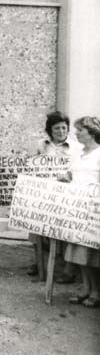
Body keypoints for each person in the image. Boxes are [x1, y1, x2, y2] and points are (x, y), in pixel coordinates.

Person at [27, 111, 79, 282]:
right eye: (57, 128)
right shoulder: (41, 145)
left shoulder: (74, 148)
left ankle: (68, 270)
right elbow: (30, 164)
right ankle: (38, 263)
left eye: (64, 128)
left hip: (64, 195)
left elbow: (77, 171)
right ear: (50, 130)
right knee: (38, 229)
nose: (61, 132)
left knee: (65, 230)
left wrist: (69, 177)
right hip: (43, 193)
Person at [63, 117, 100, 308]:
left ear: (91, 132)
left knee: (90, 252)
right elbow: (71, 175)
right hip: (76, 208)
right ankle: (85, 287)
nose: (76, 133)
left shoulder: (99, 154)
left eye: (80, 130)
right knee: (78, 250)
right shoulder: (78, 153)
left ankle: (96, 291)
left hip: (94, 210)